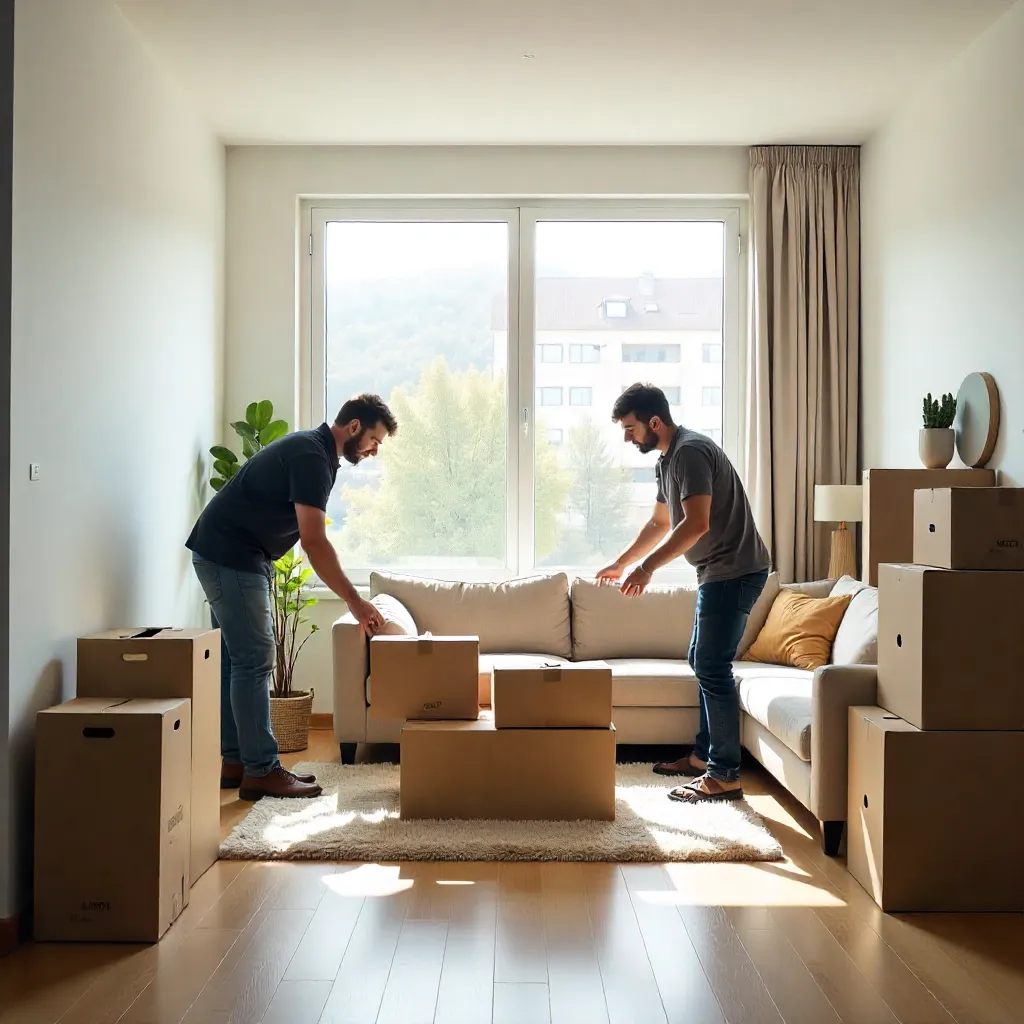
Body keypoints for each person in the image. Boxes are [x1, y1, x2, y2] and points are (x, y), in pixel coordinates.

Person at [187, 394, 397, 801]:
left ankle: (237, 761)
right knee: (255, 660)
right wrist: (355, 601)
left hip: (226, 551)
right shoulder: (311, 457)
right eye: (375, 440)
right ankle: (262, 769)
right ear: (354, 427)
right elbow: (314, 541)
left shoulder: (315, 452)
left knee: (236, 662)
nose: (374, 451)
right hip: (232, 554)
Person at [597, 383, 770, 803]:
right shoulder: (667, 460)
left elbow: (696, 525)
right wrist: (624, 562)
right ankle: (704, 756)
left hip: (736, 570)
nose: (627, 437)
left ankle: (724, 773)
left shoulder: (691, 452)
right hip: (716, 572)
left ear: (655, 422)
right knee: (702, 660)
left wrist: (647, 568)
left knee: (712, 664)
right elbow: (661, 523)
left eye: (631, 428)